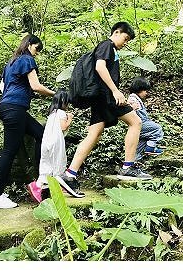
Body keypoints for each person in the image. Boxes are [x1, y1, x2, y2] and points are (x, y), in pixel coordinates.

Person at [62, 22, 150, 189]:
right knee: (135, 122)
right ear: (116, 32)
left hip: (100, 98)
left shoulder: (111, 49)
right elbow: (100, 67)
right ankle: (128, 167)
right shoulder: (107, 45)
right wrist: (116, 91)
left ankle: (69, 174)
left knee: (94, 134)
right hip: (106, 96)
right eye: (125, 38)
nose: (126, 42)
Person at [0, 34, 55, 209]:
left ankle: (40, 180)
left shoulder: (10, 63)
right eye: (36, 48)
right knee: (9, 151)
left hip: (10, 107)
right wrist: (57, 94)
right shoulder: (26, 59)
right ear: (29, 44)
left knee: (42, 135)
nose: (37, 53)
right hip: (14, 109)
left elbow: (3, 87)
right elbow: (36, 86)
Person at [28, 90, 76, 202]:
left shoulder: (52, 113)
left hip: (46, 142)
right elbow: (63, 127)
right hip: (56, 143)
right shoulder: (61, 113)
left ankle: (40, 185)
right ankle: (41, 186)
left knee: (46, 164)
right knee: (57, 164)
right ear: (64, 101)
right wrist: (70, 118)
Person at [127, 77, 166, 162]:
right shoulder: (132, 98)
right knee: (157, 129)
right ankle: (151, 148)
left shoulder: (136, 98)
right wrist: (131, 108)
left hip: (140, 125)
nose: (146, 93)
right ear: (139, 89)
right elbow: (127, 109)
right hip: (140, 123)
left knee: (141, 143)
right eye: (145, 91)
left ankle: (133, 162)